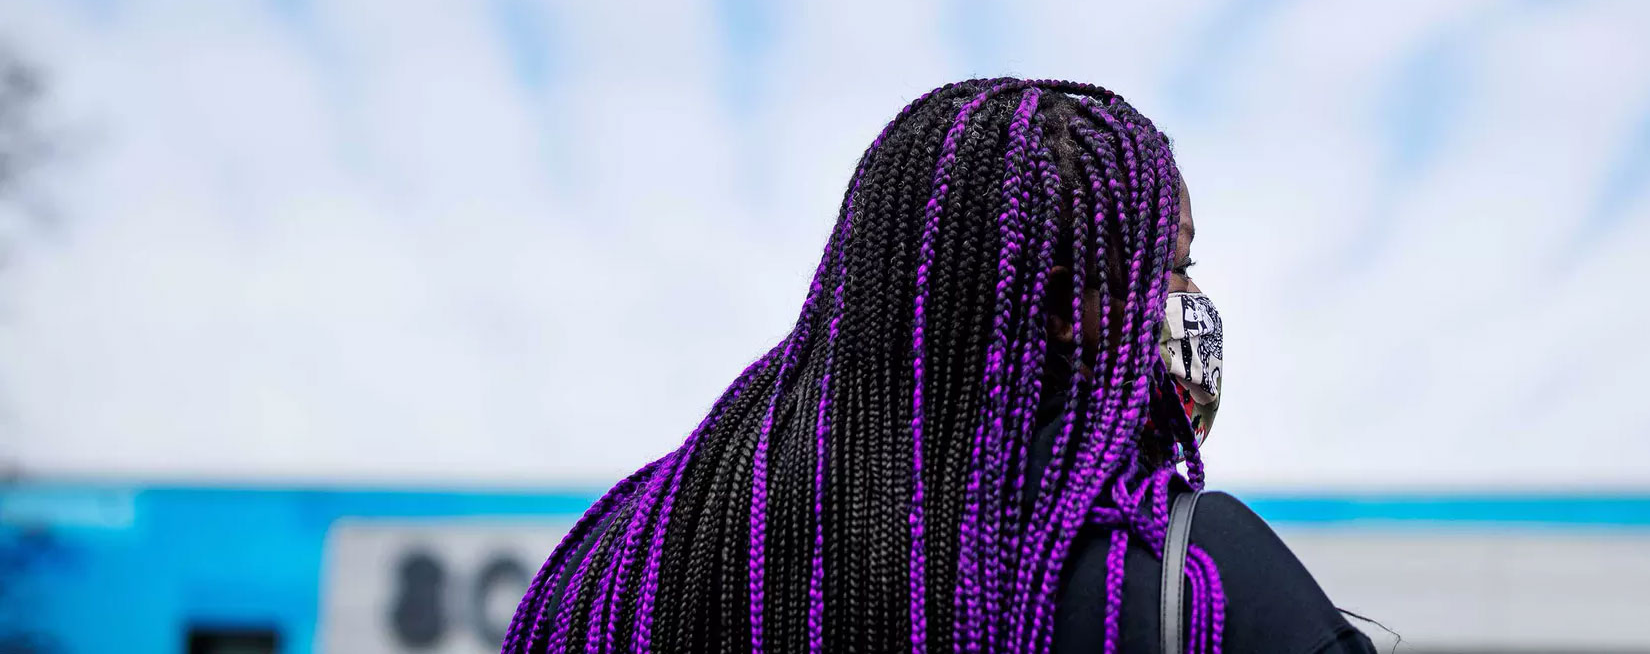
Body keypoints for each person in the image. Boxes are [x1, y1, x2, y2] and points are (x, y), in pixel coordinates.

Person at [504, 78, 1376, 654]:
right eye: (1176, 264)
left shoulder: (625, 568)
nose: (1190, 297)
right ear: (1075, 307)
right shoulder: (1188, 583)